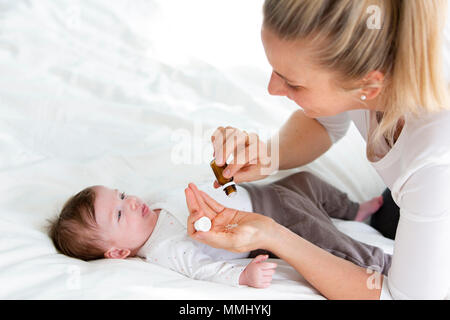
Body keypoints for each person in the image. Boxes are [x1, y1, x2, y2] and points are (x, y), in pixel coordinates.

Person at [185, 0, 450, 299]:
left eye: (293, 84)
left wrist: (274, 235)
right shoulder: (377, 48)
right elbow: (326, 124)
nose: (272, 89)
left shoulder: (435, 164)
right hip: (416, 200)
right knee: (388, 219)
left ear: (369, 86)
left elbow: (401, 298)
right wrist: (271, 155)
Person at [48, 171, 389, 288]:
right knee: (324, 237)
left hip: (260, 192)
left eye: (121, 194)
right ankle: (379, 264)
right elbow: (204, 270)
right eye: (120, 214)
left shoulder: (151, 204)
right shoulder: (165, 249)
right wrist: (243, 278)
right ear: (119, 252)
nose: (131, 201)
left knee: (307, 181)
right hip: (272, 219)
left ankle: (351, 209)